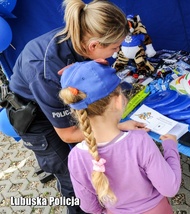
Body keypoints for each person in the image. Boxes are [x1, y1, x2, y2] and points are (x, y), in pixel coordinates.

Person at [7, 0, 146, 213]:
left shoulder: (83, 35)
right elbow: (68, 134)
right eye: (115, 48)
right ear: (93, 46)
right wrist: (117, 127)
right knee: (73, 179)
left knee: (88, 163)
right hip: (35, 119)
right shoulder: (47, 71)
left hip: (53, 101)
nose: (117, 53)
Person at [59, 60, 182, 214]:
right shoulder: (139, 141)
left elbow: (89, 206)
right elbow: (170, 187)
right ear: (118, 101)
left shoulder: (76, 156)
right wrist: (170, 147)